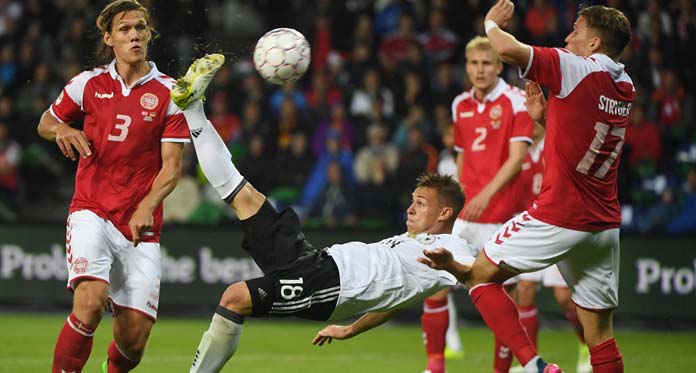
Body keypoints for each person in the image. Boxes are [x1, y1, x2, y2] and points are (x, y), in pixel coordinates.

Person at [166, 54, 475, 373]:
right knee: (245, 196)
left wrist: (453, 265)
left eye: (421, 203)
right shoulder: (412, 243)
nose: (410, 208)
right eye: (413, 200)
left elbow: (479, 274)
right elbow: (395, 300)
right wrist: (351, 329)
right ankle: (192, 108)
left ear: (445, 213)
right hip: (316, 261)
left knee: (234, 297)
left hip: (329, 286)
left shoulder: (451, 249)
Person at [420, 2, 634, 372]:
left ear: (595, 42)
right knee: (600, 335)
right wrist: (547, 118)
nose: (568, 37)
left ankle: (531, 364)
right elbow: (584, 141)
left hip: (560, 213)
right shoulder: (623, 85)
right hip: (603, 224)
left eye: (577, 30)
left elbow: (506, 48)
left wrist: (490, 23)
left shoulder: (576, 67)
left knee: (478, 276)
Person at [37, 1, 190, 372]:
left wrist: (147, 204)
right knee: (90, 302)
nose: (134, 35)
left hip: (141, 227)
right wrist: (64, 129)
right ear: (109, 38)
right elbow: (45, 121)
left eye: (140, 28)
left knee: (133, 341)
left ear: (150, 34)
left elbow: (172, 167)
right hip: (92, 210)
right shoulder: (87, 84)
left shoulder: (172, 93)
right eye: (124, 29)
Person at [420, 35, 533, 373]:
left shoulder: (516, 101)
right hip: (467, 217)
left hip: (501, 216)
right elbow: (462, 156)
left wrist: (484, 194)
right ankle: (435, 366)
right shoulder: (460, 105)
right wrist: (460, 198)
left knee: (503, 297)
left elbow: (517, 160)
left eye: (487, 63)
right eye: (474, 64)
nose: (480, 70)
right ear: (467, 67)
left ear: (499, 66)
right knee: (435, 283)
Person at [509, 119, 591, 373]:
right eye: (524, 120)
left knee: (564, 297)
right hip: (530, 229)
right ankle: (530, 363)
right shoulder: (518, 151)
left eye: (533, 120)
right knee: (525, 290)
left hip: (558, 225)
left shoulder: (555, 145)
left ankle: (585, 345)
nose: (529, 124)